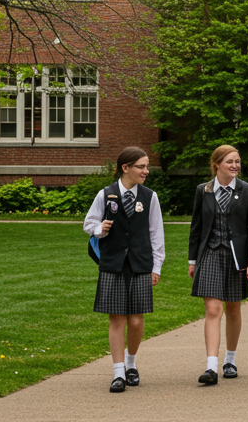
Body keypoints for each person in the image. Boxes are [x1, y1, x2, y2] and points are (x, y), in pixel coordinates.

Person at [83, 146, 165, 394]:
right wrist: (101, 229)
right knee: (116, 319)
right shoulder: (105, 195)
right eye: (141, 166)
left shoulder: (150, 197)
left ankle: (131, 364)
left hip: (140, 263)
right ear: (125, 167)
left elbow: (156, 234)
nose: (146, 171)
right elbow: (89, 223)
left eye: (147, 166)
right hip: (113, 264)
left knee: (137, 320)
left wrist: (156, 266)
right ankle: (118, 372)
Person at [187, 145, 248, 386]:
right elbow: (196, 227)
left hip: (236, 256)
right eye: (230, 161)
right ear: (216, 164)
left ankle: (230, 359)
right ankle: (211, 367)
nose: (235, 165)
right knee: (212, 310)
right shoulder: (203, 190)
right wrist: (192, 260)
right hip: (209, 253)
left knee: (233, 308)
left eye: (238, 161)